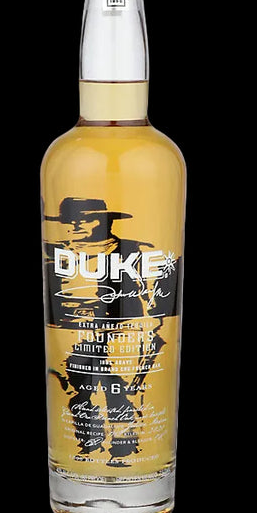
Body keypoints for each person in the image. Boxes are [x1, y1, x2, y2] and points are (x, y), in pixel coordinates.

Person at [43, 198, 173, 466]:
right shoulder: (55, 254)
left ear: (107, 220)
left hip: (125, 332)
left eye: (85, 219)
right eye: (70, 220)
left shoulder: (137, 252)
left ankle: (123, 453)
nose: (75, 225)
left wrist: (151, 335)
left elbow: (158, 300)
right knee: (77, 392)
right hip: (72, 334)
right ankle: (87, 449)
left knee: (120, 392)